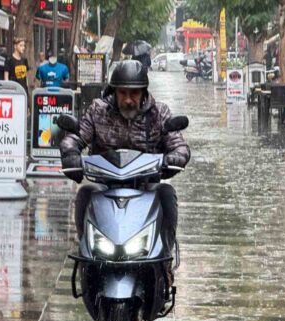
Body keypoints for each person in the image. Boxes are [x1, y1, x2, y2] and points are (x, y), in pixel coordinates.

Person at [60, 60, 190, 284]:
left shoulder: (159, 113)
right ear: (114, 91)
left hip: (146, 186)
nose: (129, 99)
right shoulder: (97, 111)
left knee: (167, 193)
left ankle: (165, 261)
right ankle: (86, 257)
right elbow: (76, 136)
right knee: (84, 194)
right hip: (105, 185)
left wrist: (174, 157)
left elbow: (179, 144)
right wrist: (71, 153)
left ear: (143, 93)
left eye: (134, 93)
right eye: (123, 93)